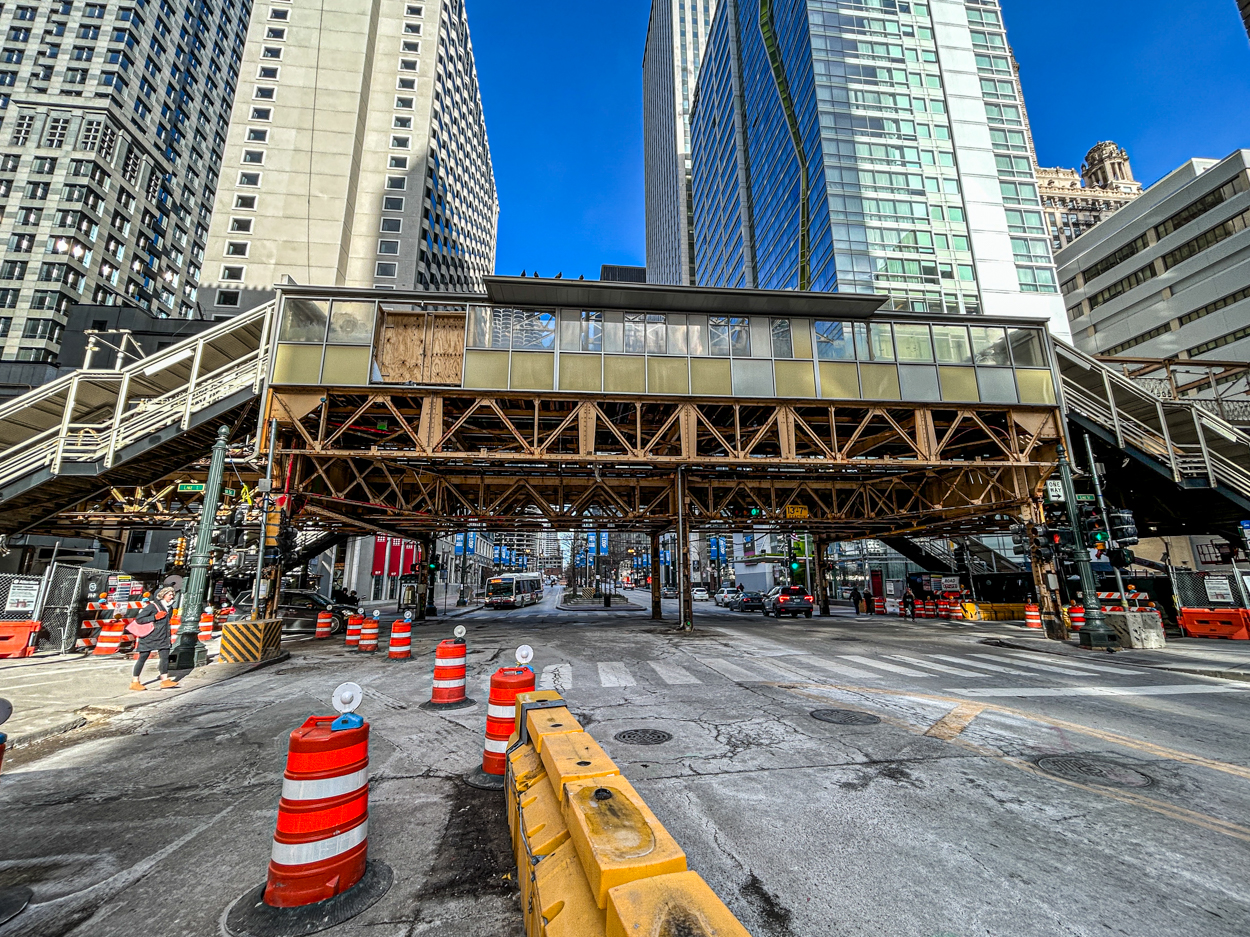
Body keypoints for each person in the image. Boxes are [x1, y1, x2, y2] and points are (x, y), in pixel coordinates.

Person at [129, 586, 178, 691]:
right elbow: (139, 619)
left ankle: (164, 680)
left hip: (163, 637)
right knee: (143, 658)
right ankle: (135, 681)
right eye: (169, 594)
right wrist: (154, 617)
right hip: (149, 637)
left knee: (165, 658)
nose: (172, 596)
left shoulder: (170, 608)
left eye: (172, 594)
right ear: (162, 595)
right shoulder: (152, 607)